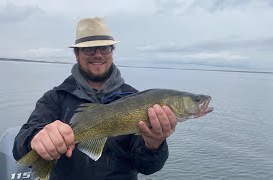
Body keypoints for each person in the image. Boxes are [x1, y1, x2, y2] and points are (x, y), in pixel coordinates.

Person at [13, 17, 177, 180]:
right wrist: (36, 138)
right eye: (89, 49)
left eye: (105, 48)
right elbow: (19, 146)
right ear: (76, 54)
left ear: (112, 52)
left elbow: (148, 167)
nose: (98, 54)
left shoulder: (135, 99)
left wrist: (155, 145)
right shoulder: (55, 98)